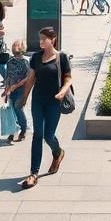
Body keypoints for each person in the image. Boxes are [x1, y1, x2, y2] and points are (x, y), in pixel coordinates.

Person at [17, 26, 71, 189]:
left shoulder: (61, 57)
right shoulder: (36, 57)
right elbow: (31, 78)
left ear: (53, 40)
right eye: (39, 38)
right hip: (38, 101)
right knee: (37, 135)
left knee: (49, 136)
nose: (40, 41)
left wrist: (63, 91)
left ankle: (58, 152)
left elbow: (68, 78)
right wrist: (24, 97)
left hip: (54, 102)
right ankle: (33, 173)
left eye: (44, 39)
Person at [2, 40, 31, 144]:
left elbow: (28, 77)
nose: (16, 56)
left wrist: (16, 86)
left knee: (18, 108)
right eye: (14, 53)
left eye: (18, 53)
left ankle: (23, 129)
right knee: (12, 110)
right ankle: (12, 131)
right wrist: (6, 89)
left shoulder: (25, 61)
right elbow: (8, 76)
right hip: (11, 89)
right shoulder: (10, 61)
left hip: (21, 89)